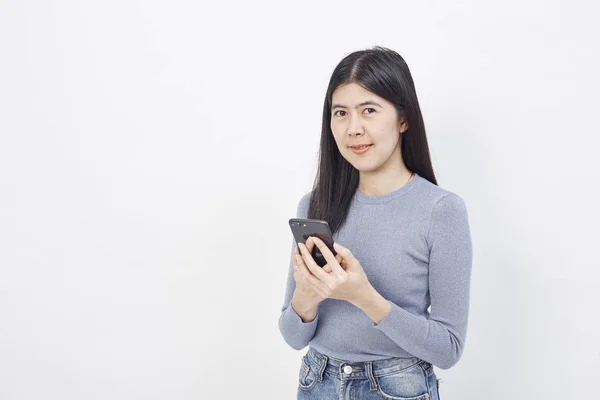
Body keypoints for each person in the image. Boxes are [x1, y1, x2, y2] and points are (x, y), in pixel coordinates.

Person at [277, 46, 473, 400]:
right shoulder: (314, 205)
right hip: (317, 382)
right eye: (341, 113)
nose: (354, 129)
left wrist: (363, 296)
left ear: (403, 118)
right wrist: (305, 297)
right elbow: (293, 338)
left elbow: (448, 348)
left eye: (369, 110)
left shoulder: (441, 210)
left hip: (397, 388)